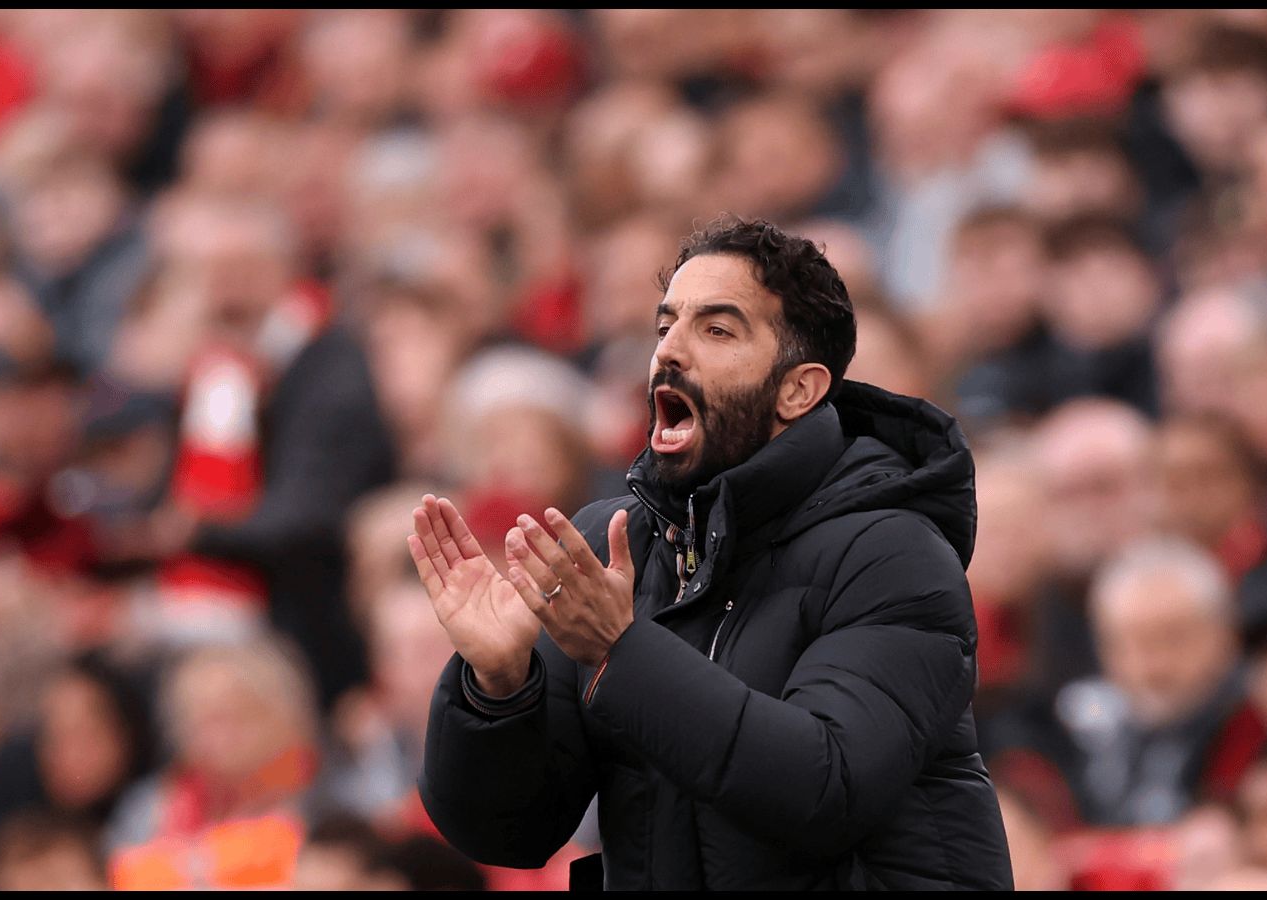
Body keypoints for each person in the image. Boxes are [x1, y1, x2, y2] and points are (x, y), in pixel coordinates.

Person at [411, 218, 1012, 890]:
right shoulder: (616, 542)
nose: (669, 351)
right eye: (665, 326)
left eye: (717, 330)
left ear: (798, 390)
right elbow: (512, 832)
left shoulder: (892, 552)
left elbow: (827, 788)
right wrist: (497, 689)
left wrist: (623, 653)